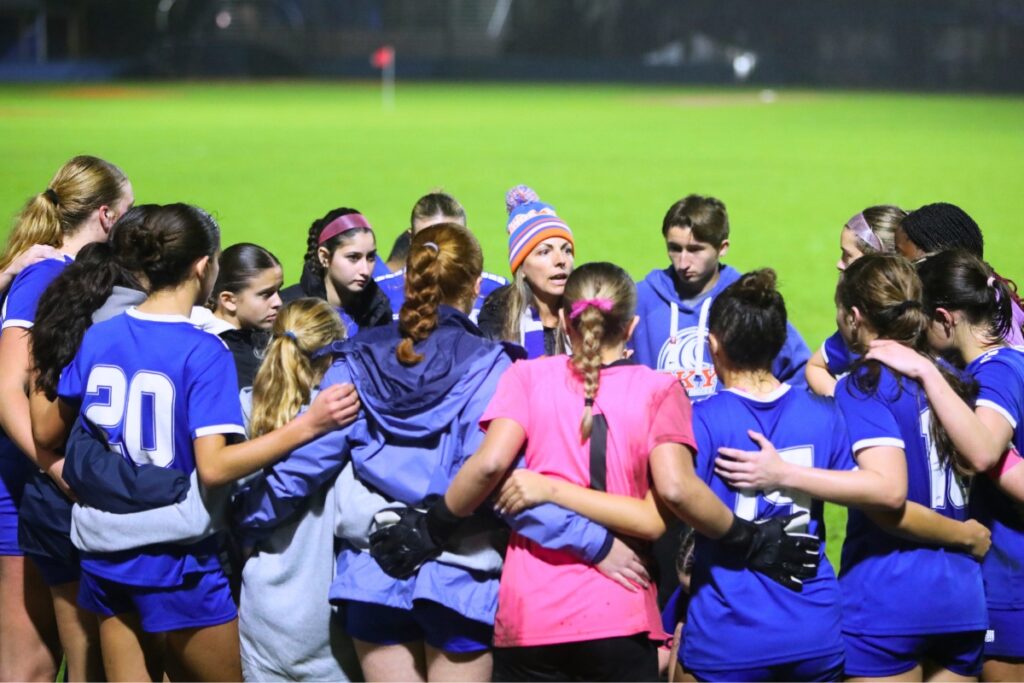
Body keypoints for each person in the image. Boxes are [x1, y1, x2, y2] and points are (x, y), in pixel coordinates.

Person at [370, 262, 822, 682]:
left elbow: (488, 464)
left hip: (531, 616)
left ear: (567, 323)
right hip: (619, 611)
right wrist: (749, 538)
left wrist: (432, 528)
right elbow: (673, 496)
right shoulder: (658, 388)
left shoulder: (527, 377)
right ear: (632, 327)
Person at [237, 226, 630, 682]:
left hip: (374, 575)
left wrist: (244, 517)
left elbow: (304, 467)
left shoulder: (357, 357)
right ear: (478, 284)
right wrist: (596, 543)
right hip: (460, 581)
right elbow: (500, 482)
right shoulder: (494, 366)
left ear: (409, 282)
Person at [31, 203, 355, 682]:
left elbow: (48, 432)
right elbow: (215, 468)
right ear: (204, 267)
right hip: (175, 558)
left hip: (105, 548)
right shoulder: (204, 352)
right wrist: (307, 428)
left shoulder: (101, 335)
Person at [810, 254, 986, 682]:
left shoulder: (864, 386)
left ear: (853, 317)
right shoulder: (950, 380)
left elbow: (889, 502)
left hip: (886, 598)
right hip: (961, 598)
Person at [0, 154, 133, 681]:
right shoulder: (46, 276)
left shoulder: (61, 273)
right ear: (105, 216)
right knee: (30, 662)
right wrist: (53, 465)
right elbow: (8, 387)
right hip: (20, 486)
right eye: (128, 212)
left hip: (37, 482)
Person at [864, 249, 1024, 682]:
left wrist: (926, 372)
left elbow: (984, 451)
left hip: (1009, 580)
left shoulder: (997, 371)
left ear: (944, 318)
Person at [632, 194, 810, 399]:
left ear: (722, 247)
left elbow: (799, 370)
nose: (682, 262)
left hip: (728, 429)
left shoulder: (746, 299)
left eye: (695, 249)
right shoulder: (640, 299)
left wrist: (774, 423)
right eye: (674, 248)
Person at [805, 206, 906, 396]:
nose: (838, 264)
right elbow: (815, 366)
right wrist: (845, 403)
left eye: (847, 255)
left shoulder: (926, 327)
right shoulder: (857, 325)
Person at [894, 202, 1024, 345]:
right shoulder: (986, 293)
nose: (897, 264)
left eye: (900, 254)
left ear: (933, 256)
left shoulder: (982, 315)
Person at [376, 191, 507, 320]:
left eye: (451, 240)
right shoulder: (379, 294)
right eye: (429, 243)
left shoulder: (497, 292)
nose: (440, 252)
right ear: (411, 240)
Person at [477, 185, 574, 358]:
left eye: (567, 250)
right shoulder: (498, 318)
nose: (561, 261)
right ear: (521, 268)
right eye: (545, 251)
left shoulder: (587, 315)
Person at [280, 207, 392, 336]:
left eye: (371, 257)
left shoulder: (379, 311)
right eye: (353, 257)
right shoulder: (288, 311)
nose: (365, 270)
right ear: (324, 257)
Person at [206, 243, 283, 388]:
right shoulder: (212, 352)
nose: (278, 302)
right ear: (229, 300)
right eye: (266, 294)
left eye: (279, 290)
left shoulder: (264, 338)